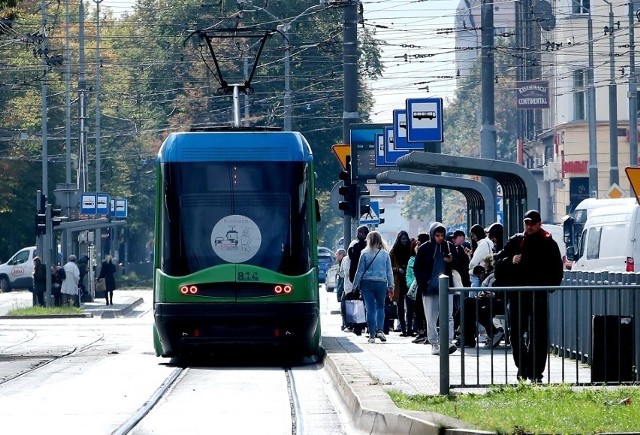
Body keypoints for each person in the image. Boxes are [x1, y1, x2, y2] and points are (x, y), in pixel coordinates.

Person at [494, 209, 563, 382]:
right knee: (516, 334)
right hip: (517, 295)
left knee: (538, 335)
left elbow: (556, 269)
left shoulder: (548, 243)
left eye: (532, 223)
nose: (529, 226)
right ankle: (523, 368)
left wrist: (548, 287)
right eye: (527, 223)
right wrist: (510, 261)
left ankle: (535, 372)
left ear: (539, 224)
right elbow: (498, 266)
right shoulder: (516, 241)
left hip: (538, 296)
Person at [414, 222, 457, 355]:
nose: (440, 238)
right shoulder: (425, 248)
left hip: (445, 286)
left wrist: (451, 261)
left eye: (442, 235)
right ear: (432, 235)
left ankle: (449, 341)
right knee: (431, 317)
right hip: (429, 288)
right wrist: (424, 282)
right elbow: (417, 267)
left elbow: (459, 263)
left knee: (448, 315)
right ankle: (434, 343)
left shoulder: (449, 246)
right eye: (437, 235)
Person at [352, 231, 394, 344]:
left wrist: (355, 285)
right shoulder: (385, 254)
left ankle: (371, 335)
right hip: (381, 283)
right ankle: (380, 330)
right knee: (381, 307)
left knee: (370, 308)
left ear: (368, 240)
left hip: (367, 283)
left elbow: (359, 271)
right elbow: (389, 271)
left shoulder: (364, 253)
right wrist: (391, 286)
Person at [347, 225, 369, 336]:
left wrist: (353, 279)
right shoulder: (369, 247)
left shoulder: (358, 247)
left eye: (361, 232)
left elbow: (354, 263)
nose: (358, 234)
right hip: (366, 278)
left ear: (366, 234)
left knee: (358, 303)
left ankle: (358, 327)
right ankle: (366, 326)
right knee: (366, 303)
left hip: (360, 278)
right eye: (358, 232)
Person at [389, 230, 412, 336]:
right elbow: (389, 267)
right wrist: (397, 269)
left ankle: (410, 329)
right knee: (400, 306)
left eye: (406, 239)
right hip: (398, 280)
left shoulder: (410, 250)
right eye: (402, 239)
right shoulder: (393, 251)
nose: (404, 241)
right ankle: (403, 329)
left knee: (410, 306)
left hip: (409, 280)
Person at [468, 224, 493, 290]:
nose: (473, 238)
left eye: (473, 235)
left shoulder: (483, 244)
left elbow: (473, 263)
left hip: (478, 274)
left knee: (474, 296)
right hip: (486, 272)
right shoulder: (489, 242)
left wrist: (470, 269)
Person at [404, 238, 421, 336]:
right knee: (410, 310)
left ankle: (417, 328)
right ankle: (408, 329)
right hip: (412, 288)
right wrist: (411, 284)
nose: (417, 247)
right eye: (416, 245)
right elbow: (408, 274)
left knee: (418, 310)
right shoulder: (411, 260)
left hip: (420, 287)